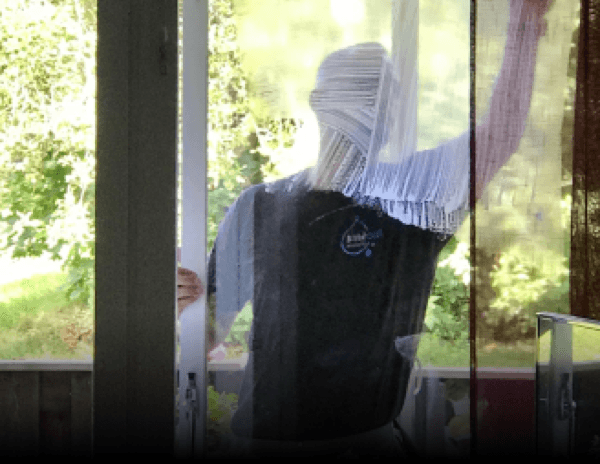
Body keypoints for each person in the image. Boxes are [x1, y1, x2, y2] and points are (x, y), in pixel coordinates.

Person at [176, 0, 552, 457]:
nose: (377, 107)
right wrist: (178, 303)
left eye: (386, 96)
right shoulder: (260, 206)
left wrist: (525, 23)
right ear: (319, 104)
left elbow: (500, 137)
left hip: (365, 440)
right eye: (363, 92)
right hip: (260, 440)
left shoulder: (409, 201)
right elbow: (209, 331)